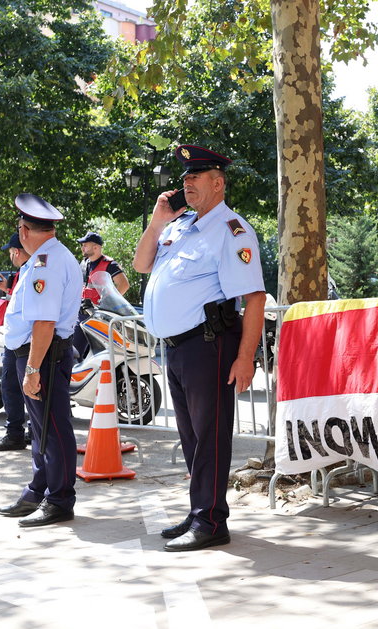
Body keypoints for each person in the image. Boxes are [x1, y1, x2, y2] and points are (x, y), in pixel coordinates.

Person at [133, 144, 266, 552]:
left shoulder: (232, 230)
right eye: (185, 177)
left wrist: (246, 357)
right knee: (192, 437)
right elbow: (141, 264)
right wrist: (156, 224)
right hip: (176, 347)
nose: (187, 183)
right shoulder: (180, 226)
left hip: (210, 345)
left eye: (196, 176)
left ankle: (211, 521)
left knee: (209, 436)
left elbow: (255, 298)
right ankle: (199, 512)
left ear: (218, 183)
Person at [0, 193, 83, 528]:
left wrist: (32, 369)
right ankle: (39, 489)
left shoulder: (47, 263)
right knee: (42, 430)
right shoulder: (46, 258)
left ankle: (60, 499)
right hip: (40, 355)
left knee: (54, 429)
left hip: (43, 356)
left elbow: (44, 323)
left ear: (23, 230)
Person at [0, 232, 31, 452]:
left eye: (11, 252)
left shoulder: (32, 269)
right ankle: (28, 431)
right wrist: (5, 288)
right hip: (20, 337)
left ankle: (15, 434)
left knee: (13, 386)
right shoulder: (26, 269)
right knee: (22, 387)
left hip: (23, 338)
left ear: (17, 251)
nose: (11, 256)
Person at [72, 231, 130, 357]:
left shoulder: (110, 264)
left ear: (96, 247)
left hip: (99, 317)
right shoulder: (84, 263)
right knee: (75, 354)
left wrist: (108, 302)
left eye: (85, 245)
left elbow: (124, 285)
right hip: (81, 316)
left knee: (99, 356)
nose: (82, 248)